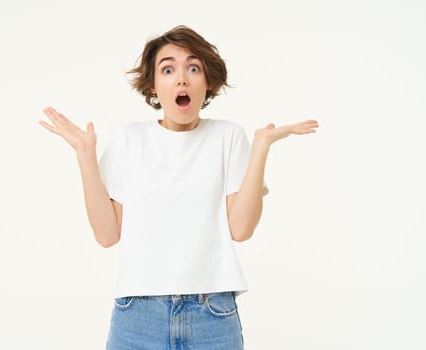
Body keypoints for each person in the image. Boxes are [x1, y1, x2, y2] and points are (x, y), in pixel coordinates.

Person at [39, 25, 318, 350]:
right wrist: (85, 155)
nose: (181, 79)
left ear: (208, 81)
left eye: (193, 68)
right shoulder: (130, 139)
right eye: (168, 69)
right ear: (153, 86)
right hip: (138, 316)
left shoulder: (228, 136)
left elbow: (241, 229)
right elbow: (107, 234)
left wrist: (260, 148)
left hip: (212, 313)